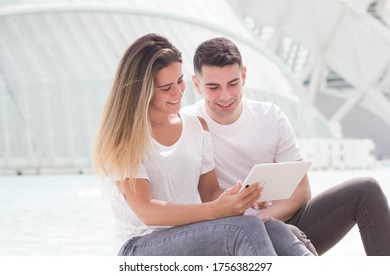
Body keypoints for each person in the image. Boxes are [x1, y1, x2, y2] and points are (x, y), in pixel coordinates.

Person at [92, 33, 313, 256]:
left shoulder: (197, 127)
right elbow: (147, 211)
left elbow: (210, 192)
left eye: (180, 81)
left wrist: (239, 198)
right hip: (140, 246)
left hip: (193, 233)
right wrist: (215, 210)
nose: (178, 93)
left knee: (272, 226)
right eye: (166, 87)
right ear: (143, 91)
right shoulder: (125, 138)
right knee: (244, 229)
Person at [181, 36, 390, 256]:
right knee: (285, 233)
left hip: (281, 222)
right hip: (229, 238)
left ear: (243, 76)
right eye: (213, 87)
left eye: (233, 84)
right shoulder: (188, 123)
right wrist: (249, 226)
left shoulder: (270, 116)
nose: (225, 96)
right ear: (197, 84)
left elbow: (301, 191)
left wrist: (263, 222)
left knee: (366, 189)